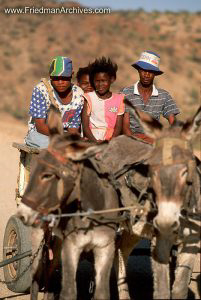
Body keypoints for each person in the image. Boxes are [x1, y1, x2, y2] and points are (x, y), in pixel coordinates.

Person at [25, 56, 84, 148]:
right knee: (52, 146)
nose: (60, 82)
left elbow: (73, 128)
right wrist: (63, 139)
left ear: (71, 75)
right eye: (56, 78)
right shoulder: (41, 90)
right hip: (41, 135)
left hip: (65, 137)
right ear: (50, 76)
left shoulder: (79, 94)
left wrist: (69, 139)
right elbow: (40, 126)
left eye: (64, 78)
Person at [121, 50, 180, 144]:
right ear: (139, 70)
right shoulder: (126, 93)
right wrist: (136, 142)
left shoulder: (164, 96)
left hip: (153, 140)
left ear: (155, 74)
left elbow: (173, 122)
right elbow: (125, 127)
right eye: (143, 70)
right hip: (130, 139)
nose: (146, 75)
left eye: (151, 72)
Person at [82, 57, 124, 142]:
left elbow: (118, 127)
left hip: (111, 141)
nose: (100, 84)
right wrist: (95, 143)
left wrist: (109, 143)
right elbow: (85, 126)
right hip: (92, 140)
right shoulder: (89, 98)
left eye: (103, 81)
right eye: (97, 81)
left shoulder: (119, 99)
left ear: (111, 80)